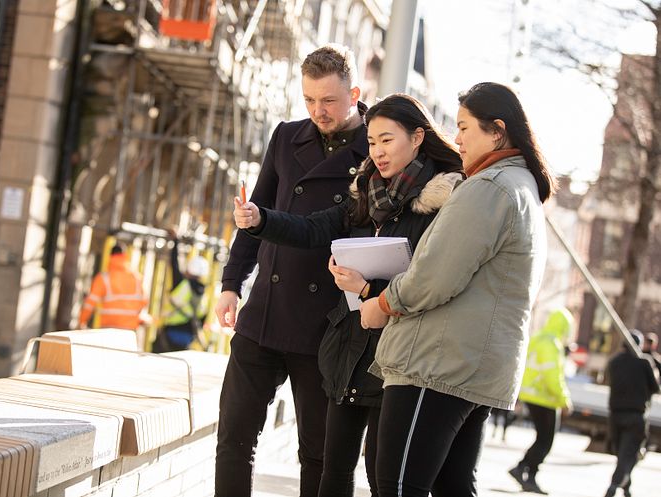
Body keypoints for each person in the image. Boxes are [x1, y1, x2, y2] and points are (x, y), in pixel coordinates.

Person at [234, 93, 463, 496]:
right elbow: (311, 229)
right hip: (349, 347)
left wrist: (365, 287)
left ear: (418, 137)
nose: (377, 152)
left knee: (383, 478)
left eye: (387, 141)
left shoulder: (444, 204)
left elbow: (433, 284)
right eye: (372, 142)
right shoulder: (364, 192)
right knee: (332, 472)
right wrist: (260, 220)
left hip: (401, 355)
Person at [358, 82, 557, 497]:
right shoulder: (521, 190)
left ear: (497, 131)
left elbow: (436, 275)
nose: (457, 138)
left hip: (438, 365)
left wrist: (383, 302)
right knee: (453, 487)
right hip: (470, 367)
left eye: (465, 128)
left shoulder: (489, 188)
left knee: (395, 486)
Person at [213, 44, 369, 497]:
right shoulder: (286, 137)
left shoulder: (374, 150)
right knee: (233, 439)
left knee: (318, 455)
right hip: (264, 314)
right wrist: (231, 284)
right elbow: (254, 214)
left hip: (324, 326)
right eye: (309, 100)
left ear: (354, 93)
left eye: (329, 101)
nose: (317, 111)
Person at [509, 308, 575, 494]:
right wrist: (564, 399)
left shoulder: (538, 338)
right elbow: (553, 376)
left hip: (531, 395)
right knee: (546, 440)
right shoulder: (552, 344)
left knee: (541, 438)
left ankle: (522, 468)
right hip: (545, 398)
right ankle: (527, 473)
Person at [603, 329, 660, 497]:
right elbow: (656, 387)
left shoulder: (614, 362)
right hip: (636, 415)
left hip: (615, 414)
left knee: (622, 453)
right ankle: (614, 486)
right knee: (629, 455)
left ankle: (626, 488)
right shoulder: (645, 362)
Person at [78, 243, 150, 338]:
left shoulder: (103, 278)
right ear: (125, 256)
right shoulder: (137, 278)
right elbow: (144, 302)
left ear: (110, 256)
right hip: (129, 330)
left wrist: (82, 321)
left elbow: (90, 303)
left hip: (108, 328)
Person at [153, 236, 209, 352]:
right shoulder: (204, 293)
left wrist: (175, 240)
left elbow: (174, 264)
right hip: (188, 337)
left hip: (170, 334)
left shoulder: (181, 284)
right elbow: (203, 317)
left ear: (188, 270)